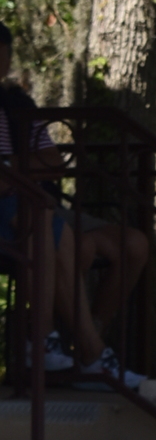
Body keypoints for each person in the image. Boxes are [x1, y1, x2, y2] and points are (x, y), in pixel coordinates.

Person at [0, 22, 140, 387]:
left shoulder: (15, 105)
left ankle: (79, 343)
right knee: (52, 228)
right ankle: (69, 347)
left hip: (29, 200)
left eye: (3, 59)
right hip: (20, 206)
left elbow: (52, 161)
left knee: (124, 243)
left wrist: (10, 170)